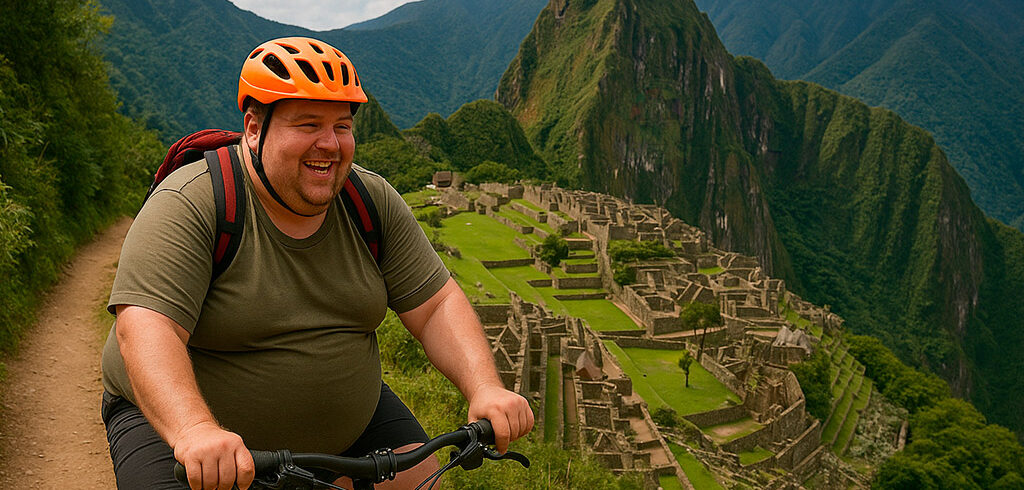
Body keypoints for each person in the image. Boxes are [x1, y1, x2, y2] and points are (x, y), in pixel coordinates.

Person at [99, 36, 534, 490]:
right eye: (308, 125)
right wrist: (193, 430)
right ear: (253, 128)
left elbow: (436, 304)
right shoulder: (194, 201)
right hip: (181, 431)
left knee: (422, 479)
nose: (330, 144)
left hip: (353, 427)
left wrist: (485, 386)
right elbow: (147, 328)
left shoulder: (370, 201)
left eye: (342, 127)